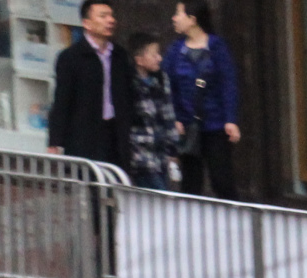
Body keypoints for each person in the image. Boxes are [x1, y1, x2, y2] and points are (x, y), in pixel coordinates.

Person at [163, 0, 240, 199]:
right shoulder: (175, 50)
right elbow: (166, 86)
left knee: (222, 180)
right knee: (190, 184)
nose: (174, 18)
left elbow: (228, 84)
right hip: (187, 126)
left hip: (215, 125)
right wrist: (174, 118)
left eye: (178, 14)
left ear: (192, 19)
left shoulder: (217, 47)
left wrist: (230, 119)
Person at [47, 0, 133, 169]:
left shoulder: (119, 55)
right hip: (85, 135)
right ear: (87, 23)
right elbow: (62, 101)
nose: (110, 20)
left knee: (116, 182)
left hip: (115, 133)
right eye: (103, 16)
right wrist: (54, 142)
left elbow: (128, 94)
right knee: (89, 184)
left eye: (111, 16)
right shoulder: (71, 57)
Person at [127, 31, 180, 190]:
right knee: (156, 199)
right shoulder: (128, 82)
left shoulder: (161, 79)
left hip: (161, 156)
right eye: (154, 54)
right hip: (141, 158)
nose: (159, 58)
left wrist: (172, 149)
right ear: (139, 60)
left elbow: (168, 115)